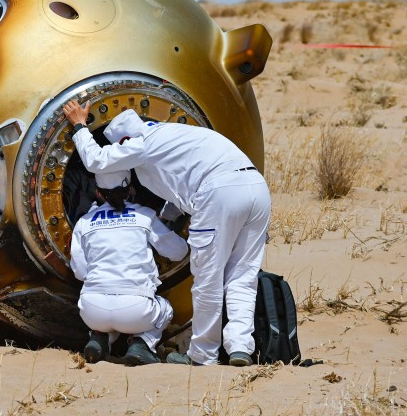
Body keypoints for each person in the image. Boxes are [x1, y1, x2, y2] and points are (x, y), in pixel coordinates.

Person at [62, 99, 272, 367]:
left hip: (218, 194)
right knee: (243, 275)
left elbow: (96, 161)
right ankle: (240, 347)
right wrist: (163, 220)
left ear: (126, 140)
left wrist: (80, 126)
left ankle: (203, 355)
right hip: (255, 188)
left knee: (208, 278)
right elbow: (179, 185)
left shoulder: (143, 143)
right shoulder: (178, 135)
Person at [70, 169, 188, 365]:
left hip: (91, 311)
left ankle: (100, 338)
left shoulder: (84, 222)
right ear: (131, 190)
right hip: (136, 310)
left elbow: (80, 272)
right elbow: (178, 252)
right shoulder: (145, 216)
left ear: (98, 193)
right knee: (165, 309)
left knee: (107, 311)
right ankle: (141, 344)